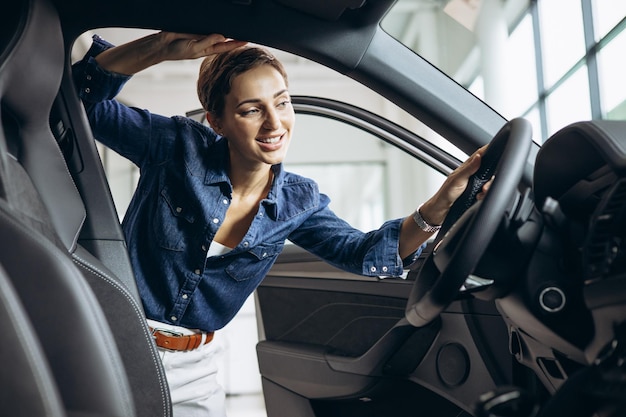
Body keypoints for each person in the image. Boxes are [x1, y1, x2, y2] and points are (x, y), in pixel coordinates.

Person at [72, 31, 490, 416]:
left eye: (283, 102)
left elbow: (364, 254)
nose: (275, 124)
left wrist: (440, 204)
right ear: (217, 121)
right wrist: (162, 48)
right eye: (252, 109)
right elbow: (79, 102)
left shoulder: (298, 200)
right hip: (115, 340)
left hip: (195, 369)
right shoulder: (177, 146)